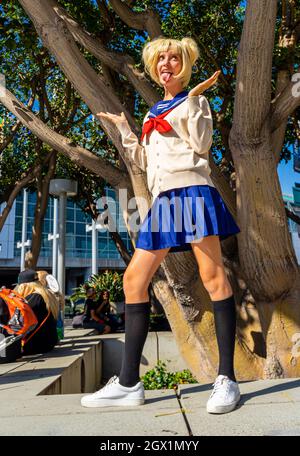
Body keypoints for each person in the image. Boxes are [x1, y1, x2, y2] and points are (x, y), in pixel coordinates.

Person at [81, 36, 241, 414]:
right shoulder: (155, 110)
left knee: (213, 278)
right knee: (134, 280)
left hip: (191, 192)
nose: (165, 64)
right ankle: (128, 383)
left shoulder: (194, 101)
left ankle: (227, 379)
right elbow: (146, 161)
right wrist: (125, 130)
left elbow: (200, 145)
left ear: (183, 65)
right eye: (160, 59)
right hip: (164, 201)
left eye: (173, 58)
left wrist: (194, 102)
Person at [13, 269, 59, 355]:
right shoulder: (47, 295)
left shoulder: (33, 298)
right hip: (49, 342)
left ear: (24, 286)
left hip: (36, 345)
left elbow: (21, 323)